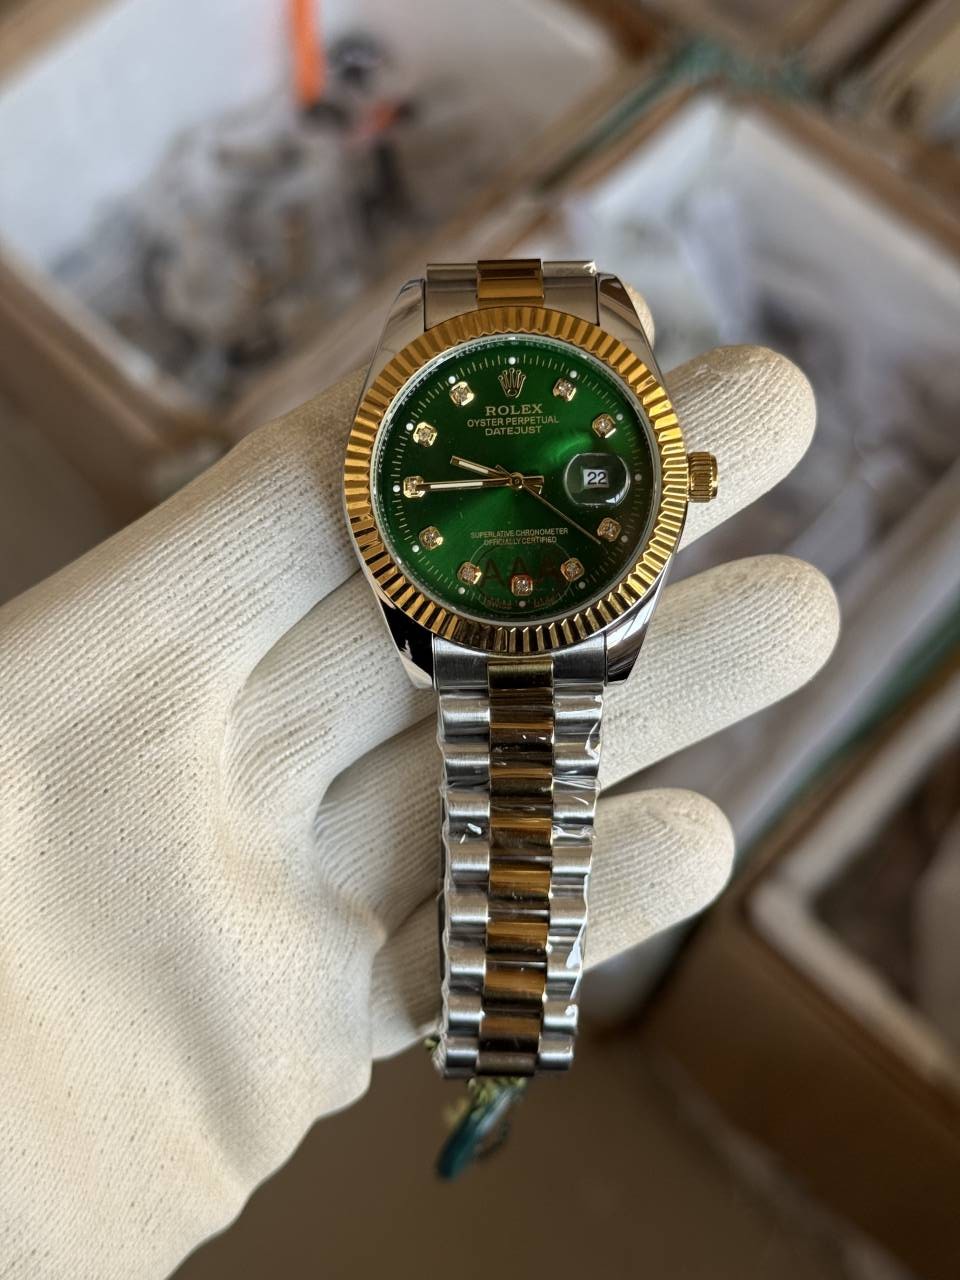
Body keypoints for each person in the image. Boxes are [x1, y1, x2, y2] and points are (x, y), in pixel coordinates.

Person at [0, 286, 838, 1277]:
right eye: (501, 480)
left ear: (676, 480)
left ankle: (500, 1029)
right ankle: (497, 1035)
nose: (517, 487)